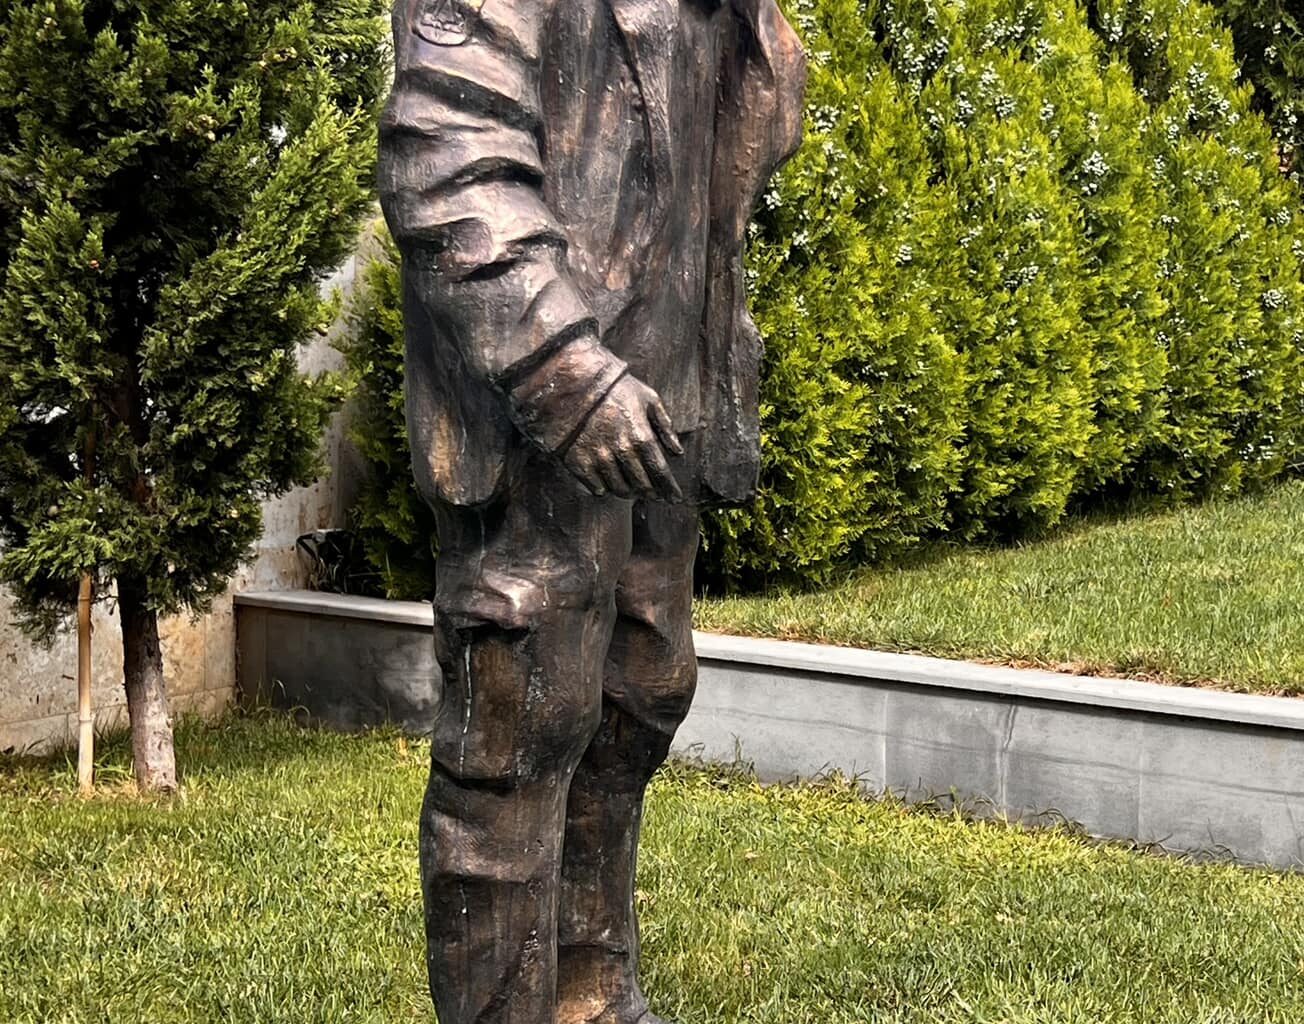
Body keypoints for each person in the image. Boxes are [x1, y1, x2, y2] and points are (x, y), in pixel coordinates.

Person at [378, 0, 804, 1020]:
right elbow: (447, 154)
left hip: (664, 410)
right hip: (534, 422)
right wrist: (565, 373)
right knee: (516, 742)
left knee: (635, 697)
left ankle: (592, 996)